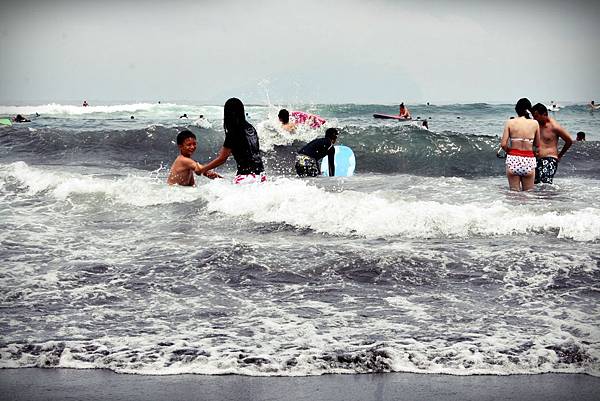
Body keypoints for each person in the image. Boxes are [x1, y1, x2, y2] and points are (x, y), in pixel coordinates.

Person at [198, 98, 266, 184]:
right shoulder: (250, 128)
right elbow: (248, 150)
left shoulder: (234, 131)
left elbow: (222, 159)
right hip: (261, 175)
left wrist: (203, 169)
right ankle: (217, 178)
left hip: (246, 177)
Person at [499, 98, 540, 191]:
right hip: (529, 161)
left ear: (517, 109)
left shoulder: (510, 122)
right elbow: (537, 145)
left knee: (513, 195)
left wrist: (509, 151)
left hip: (513, 160)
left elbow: (503, 144)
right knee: (528, 194)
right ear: (529, 109)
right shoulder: (535, 123)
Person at [531, 103, 573, 185]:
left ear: (544, 114)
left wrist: (559, 156)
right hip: (536, 159)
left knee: (545, 184)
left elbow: (569, 141)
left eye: (536, 116)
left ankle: (549, 197)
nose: (534, 118)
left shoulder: (554, 127)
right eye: (533, 116)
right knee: (535, 184)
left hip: (550, 159)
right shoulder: (535, 125)